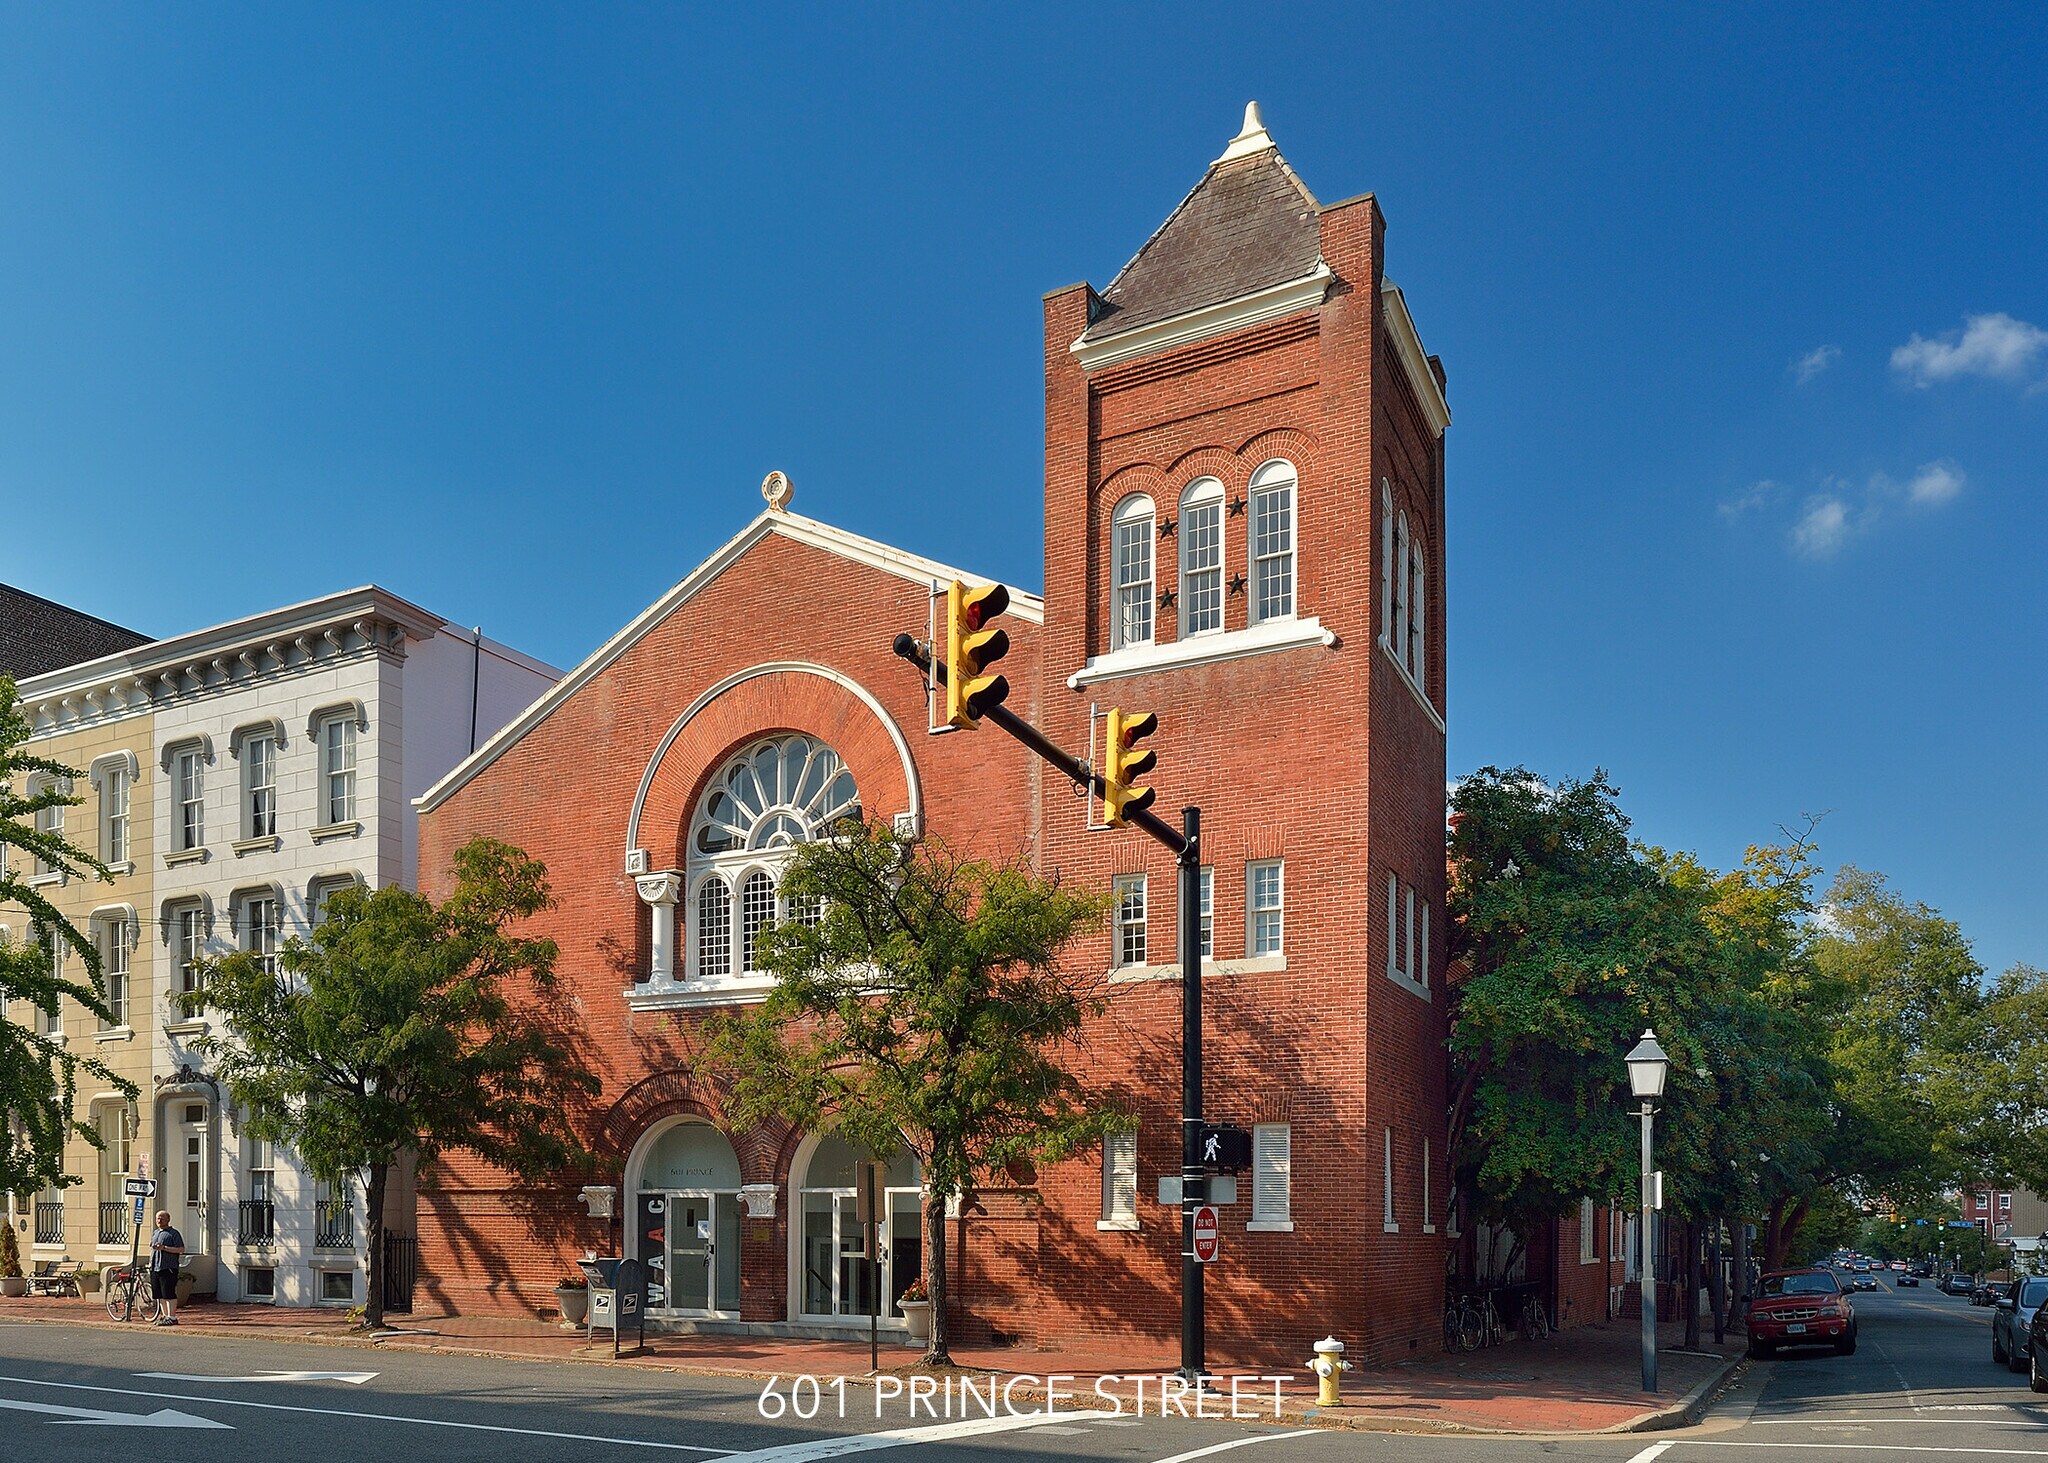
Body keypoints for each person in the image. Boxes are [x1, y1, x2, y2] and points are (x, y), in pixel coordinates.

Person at [149, 1210, 185, 1326]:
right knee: (159, 1295)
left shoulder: (173, 1233)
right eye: (157, 1218)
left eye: (162, 1218)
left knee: (169, 1293)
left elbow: (181, 1249)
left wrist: (164, 1248)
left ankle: (172, 1317)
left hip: (168, 1267)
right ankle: (165, 1316)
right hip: (155, 1267)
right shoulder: (155, 1233)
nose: (159, 1221)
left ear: (168, 1220)